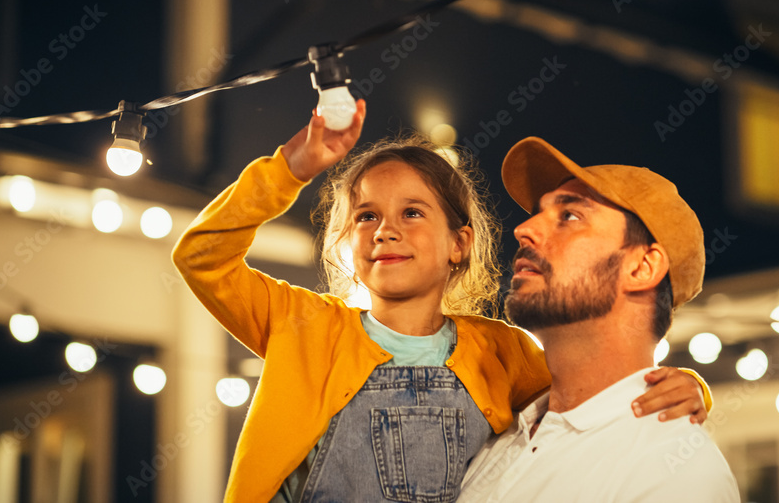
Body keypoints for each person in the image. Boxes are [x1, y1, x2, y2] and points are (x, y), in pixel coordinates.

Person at [172, 103, 712, 502]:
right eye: (365, 216)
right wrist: (289, 166)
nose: (384, 231)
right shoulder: (303, 325)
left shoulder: (500, 352)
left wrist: (686, 386)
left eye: (412, 213)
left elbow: (588, 390)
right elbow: (203, 258)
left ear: (461, 243)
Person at [458, 137, 741, 502]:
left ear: (642, 267)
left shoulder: (674, 473)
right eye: (537, 213)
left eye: (569, 216)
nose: (524, 229)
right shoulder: (496, 434)